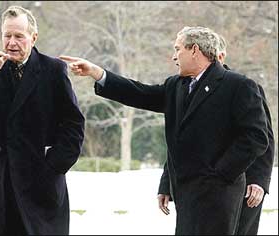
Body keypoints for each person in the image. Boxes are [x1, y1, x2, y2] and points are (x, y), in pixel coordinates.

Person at [59, 26, 269, 235]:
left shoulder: (239, 85)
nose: (174, 56)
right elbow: (139, 94)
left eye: (178, 49)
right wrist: (97, 73)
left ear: (195, 50)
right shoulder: (176, 85)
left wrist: (220, 173)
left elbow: (256, 137)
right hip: (186, 193)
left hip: (219, 194)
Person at [0, 5, 85, 235]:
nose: (11, 42)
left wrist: (53, 166)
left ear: (33, 37)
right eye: (7, 36)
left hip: (40, 183)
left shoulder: (53, 70)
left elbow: (74, 124)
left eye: (19, 36)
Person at [218, 34, 275, 235]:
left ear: (220, 57)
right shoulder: (188, 89)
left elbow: (263, 137)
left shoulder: (245, 87)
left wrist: (259, 180)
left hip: (246, 186)